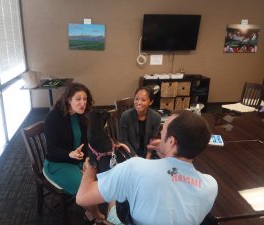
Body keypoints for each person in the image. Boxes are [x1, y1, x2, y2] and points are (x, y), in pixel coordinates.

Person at [76, 110, 218, 225]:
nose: (161, 133)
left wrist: (91, 166)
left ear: (171, 141)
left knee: (115, 198)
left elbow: (82, 197)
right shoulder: (211, 185)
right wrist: (167, 153)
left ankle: (99, 217)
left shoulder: (135, 167)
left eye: (164, 129)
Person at [43, 82, 104, 222]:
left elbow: (85, 142)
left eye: (85, 99)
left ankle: (90, 213)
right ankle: (97, 216)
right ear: (68, 99)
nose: (82, 103)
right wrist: (69, 154)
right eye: (78, 99)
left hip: (77, 160)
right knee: (86, 187)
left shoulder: (80, 114)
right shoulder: (53, 118)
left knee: (100, 174)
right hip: (57, 164)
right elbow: (51, 151)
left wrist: (85, 160)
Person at [119, 86, 161, 158]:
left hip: (148, 153)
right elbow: (123, 140)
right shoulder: (125, 116)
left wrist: (148, 157)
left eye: (143, 100)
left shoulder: (156, 117)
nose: (138, 103)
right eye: (136, 99)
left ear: (150, 102)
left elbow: (152, 140)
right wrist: (135, 157)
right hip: (130, 153)